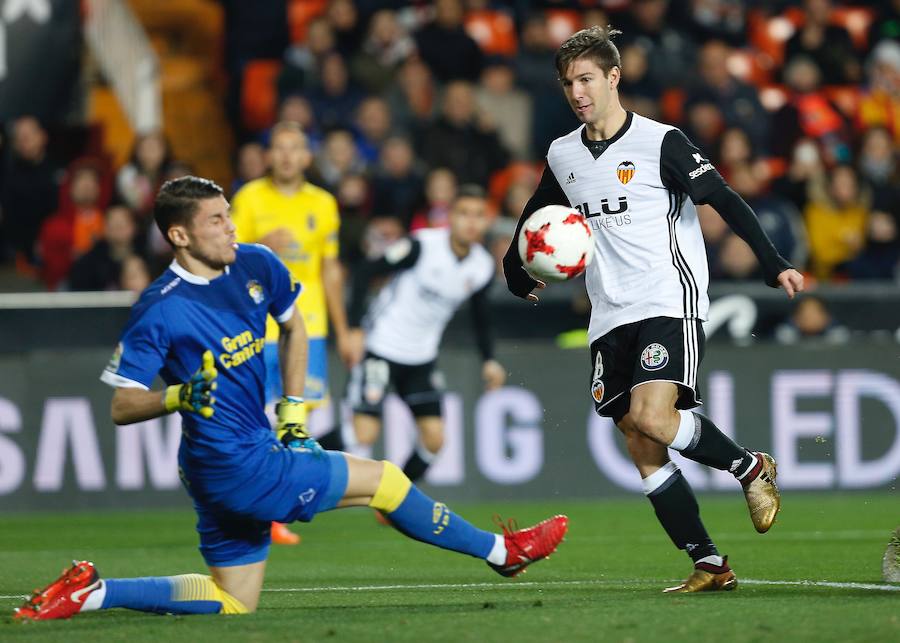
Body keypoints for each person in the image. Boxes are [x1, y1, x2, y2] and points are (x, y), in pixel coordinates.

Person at [12, 176, 568, 621]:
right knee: (385, 480)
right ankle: (503, 552)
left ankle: (92, 592)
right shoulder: (160, 308)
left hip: (235, 455)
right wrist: (179, 394)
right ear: (180, 237)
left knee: (234, 600)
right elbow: (122, 406)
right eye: (215, 221)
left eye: (229, 214)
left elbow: (294, 327)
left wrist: (293, 409)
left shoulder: (255, 264)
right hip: (235, 464)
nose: (231, 228)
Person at [502, 26, 804, 593]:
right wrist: (515, 269)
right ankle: (710, 564)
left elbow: (724, 198)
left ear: (614, 78)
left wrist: (772, 263)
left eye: (587, 78)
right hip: (608, 311)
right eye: (568, 82)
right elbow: (537, 213)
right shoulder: (563, 153)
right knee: (641, 445)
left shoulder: (661, 142)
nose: (577, 91)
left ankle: (750, 467)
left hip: (668, 296)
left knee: (654, 417)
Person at [319, 186, 506, 491]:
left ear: (486, 222)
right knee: (361, 436)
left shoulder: (482, 266)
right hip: (382, 348)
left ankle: (393, 500)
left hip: (421, 358)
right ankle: (295, 459)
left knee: (435, 440)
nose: (471, 222)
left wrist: (489, 360)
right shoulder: (422, 246)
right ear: (450, 217)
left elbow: (481, 316)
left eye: (478, 216)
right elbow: (367, 270)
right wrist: (354, 329)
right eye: (464, 214)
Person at [231, 121, 355, 545]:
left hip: (310, 327)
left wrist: (343, 330)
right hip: (258, 328)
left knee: (300, 420)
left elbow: (330, 270)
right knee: (259, 420)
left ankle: (278, 503)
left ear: (307, 156)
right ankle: (267, 508)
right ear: (268, 156)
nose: (286, 156)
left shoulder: (322, 204)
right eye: (278, 148)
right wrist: (259, 244)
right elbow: (224, 260)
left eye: (295, 148)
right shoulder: (248, 198)